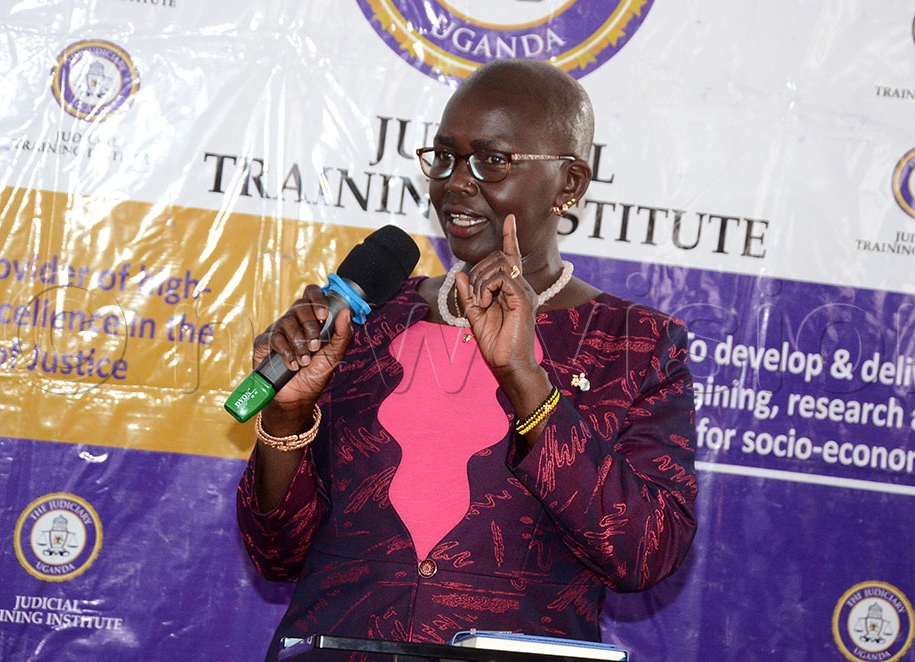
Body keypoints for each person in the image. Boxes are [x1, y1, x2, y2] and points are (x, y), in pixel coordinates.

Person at [236, 58, 698, 660]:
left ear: (571, 185)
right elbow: (276, 553)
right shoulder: (363, 322)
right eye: (446, 157)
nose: (457, 181)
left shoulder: (634, 345)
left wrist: (525, 380)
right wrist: (289, 415)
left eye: (493, 161)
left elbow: (645, 552)